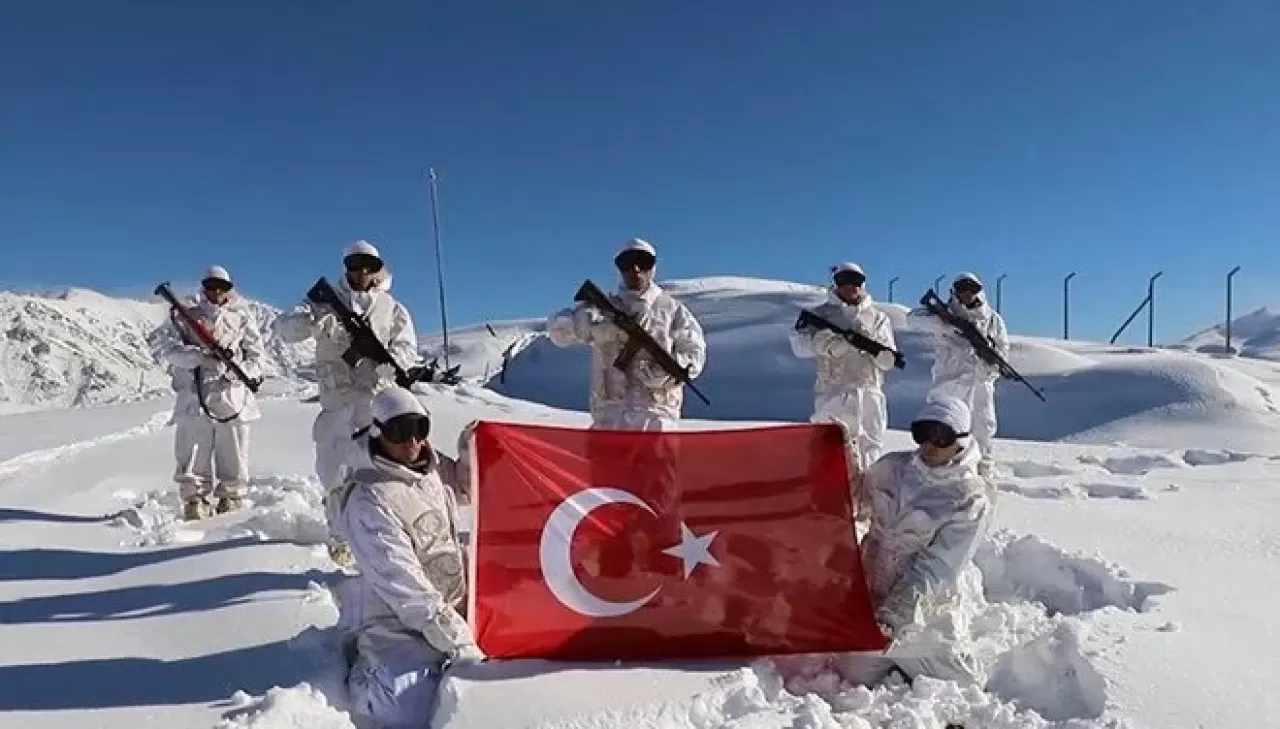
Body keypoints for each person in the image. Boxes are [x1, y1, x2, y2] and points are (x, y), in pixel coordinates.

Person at [331, 386, 481, 728]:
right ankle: (364, 672)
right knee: (405, 710)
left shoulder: (428, 468)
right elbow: (404, 586)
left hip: (452, 604)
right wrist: (457, 639)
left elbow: (467, 489)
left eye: (419, 428)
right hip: (397, 622)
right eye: (399, 431)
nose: (412, 441)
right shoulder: (369, 499)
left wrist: (470, 452)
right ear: (377, 431)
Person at [272, 240, 419, 563]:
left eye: (369, 266)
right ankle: (340, 535)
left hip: (374, 406)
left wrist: (390, 363)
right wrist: (314, 321)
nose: (362, 272)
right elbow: (284, 328)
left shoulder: (392, 308)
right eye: (355, 265)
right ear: (346, 267)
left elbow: (407, 347)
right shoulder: (322, 301)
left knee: (376, 474)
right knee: (333, 473)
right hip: (336, 404)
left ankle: (377, 536)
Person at [839, 395, 995, 687]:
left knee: (960, 683)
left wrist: (895, 616)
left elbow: (937, 568)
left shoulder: (969, 499)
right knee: (855, 674)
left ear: (960, 440)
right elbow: (856, 501)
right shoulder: (892, 467)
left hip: (924, 611)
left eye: (941, 437)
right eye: (923, 433)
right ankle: (890, 662)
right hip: (873, 597)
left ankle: (931, 656)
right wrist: (842, 453)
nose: (929, 445)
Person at [545, 238, 707, 431]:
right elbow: (557, 334)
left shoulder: (673, 311)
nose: (635, 269)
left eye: (643, 262)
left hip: (657, 422)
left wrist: (667, 371)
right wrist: (579, 322)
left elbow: (694, 354)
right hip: (609, 422)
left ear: (653, 267)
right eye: (627, 263)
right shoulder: (603, 309)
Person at [148, 266, 264, 520]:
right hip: (195, 394)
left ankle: (231, 496)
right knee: (193, 450)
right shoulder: (184, 316)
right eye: (211, 286)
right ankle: (195, 499)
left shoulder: (241, 318)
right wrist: (199, 356)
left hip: (231, 395)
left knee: (233, 450)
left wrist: (235, 370)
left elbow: (256, 357)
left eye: (222, 287)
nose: (216, 292)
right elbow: (168, 350)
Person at [790, 262, 899, 473]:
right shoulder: (820, 314)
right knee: (829, 454)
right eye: (843, 280)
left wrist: (874, 348)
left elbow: (889, 360)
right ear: (835, 283)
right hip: (833, 395)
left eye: (856, 280)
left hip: (869, 396)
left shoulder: (878, 318)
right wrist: (826, 344)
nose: (850, 286)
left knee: (870, 455)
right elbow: (798, 347)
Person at [907, 272, 1009, 475]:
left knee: (983, 427)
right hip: (950, 384)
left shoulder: (992, 320)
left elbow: (1003, 351)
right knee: (945, 429)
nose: (967, 293)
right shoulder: (944, 314)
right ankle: (940, 471)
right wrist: (945, 323)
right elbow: (912, 319)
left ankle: (982, 471)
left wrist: (989, 356)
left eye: (973, 289)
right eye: (962, 288)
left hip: (980, 383)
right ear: (954, 291)